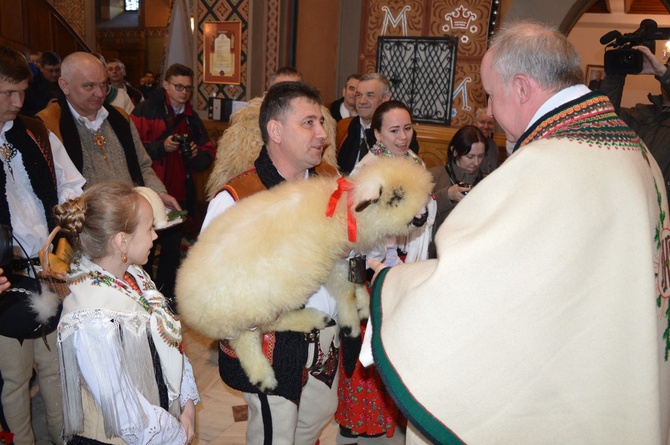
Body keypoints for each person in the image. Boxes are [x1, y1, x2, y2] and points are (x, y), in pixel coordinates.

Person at [366, 21, 670, 444]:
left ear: (522, 88)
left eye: (491, 94)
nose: (488, 110)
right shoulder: (633, 151)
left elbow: (471, 287)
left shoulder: (548, 165)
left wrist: (389, 283)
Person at [202, 81, 340, 445]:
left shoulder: (329, 180)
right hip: (271, 341)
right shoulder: (237, 198)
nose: (322, 134)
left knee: (316, 419)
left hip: (325, 334)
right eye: (308, 123)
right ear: (275, 131)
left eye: (321, 122)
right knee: (275, 432)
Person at [54, 181, 199, 444]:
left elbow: (169, 338)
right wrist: (175, 434)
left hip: (163, 416)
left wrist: (186, 403)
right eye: (149, 228)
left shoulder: (135, 276)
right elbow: (124, 409)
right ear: (122, 242)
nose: (155, 236)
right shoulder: (92, 316)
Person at [336, 100, 436, 444]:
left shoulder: (413, 163)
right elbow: (353, 230)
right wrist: (377, 264)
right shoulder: (368, 170)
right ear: (376, 133)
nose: (403, 136)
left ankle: (389, 417)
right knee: (366, 343)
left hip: (402, 265)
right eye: (394, 130)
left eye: (407, 128)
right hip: (368, 268)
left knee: (394, 346)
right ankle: (358, 420)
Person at [0, 45, 85, 445]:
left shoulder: (35, 132)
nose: (18, 103)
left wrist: (64, 251)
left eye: (22, 92)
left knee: (55, 367)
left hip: (50, 268)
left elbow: (71, 187)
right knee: (14, 379)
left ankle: (63, 437)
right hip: (5, 279)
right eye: (7, 93)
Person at [36, 52, 180, 214]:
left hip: (131, 215)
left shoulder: (120, 118)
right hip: (88, 224)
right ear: (64, 85)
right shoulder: (48, 125)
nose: (100, 93)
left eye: (103, 84)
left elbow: (143, 165)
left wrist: (158, 193)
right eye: (89, 86)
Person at [131, 63, 216, 308]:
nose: (184, 92)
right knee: (144, 249)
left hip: (179, 195)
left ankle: (166, 299)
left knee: (171, 250)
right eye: (179, 86)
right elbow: (132, 151)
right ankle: (142, 299)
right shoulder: (146, 109)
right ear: (166, 84)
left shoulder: (191, 117)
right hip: (149, 195)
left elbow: (207, 155)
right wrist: (161, 147)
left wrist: (193, 153)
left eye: (189, 88)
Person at [601, 44, 670, 201]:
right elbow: (603, 118)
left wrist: (664, 74)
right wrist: (615, 76)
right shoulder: (641, 113)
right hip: (630, 201)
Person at [336, 73, 418, 174]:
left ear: (385, 98)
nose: (362, 101)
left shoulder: (402, 135)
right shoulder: (346, 126)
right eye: (359, 95)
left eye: (370, 95)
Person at [428, 125, 486, 242]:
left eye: (480, 156)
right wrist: (446, 195)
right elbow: (421, 212)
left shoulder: (488, 181)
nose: (476, 162)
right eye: (470, 156)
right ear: (454, 152)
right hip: (438, 248)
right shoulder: (434, 176)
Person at [21, 50, 61, 116]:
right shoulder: (31, 86)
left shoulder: (65, 82)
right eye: (50, 71)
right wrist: (45, 110)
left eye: (57, 70)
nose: (54, 74)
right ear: (41, 68)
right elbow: (23, 113)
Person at [473, 107, 499, 173]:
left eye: (490, 123)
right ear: (475, 123)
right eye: (482, 122)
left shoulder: (493, 145)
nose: (486, 126)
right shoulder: (467, 142)